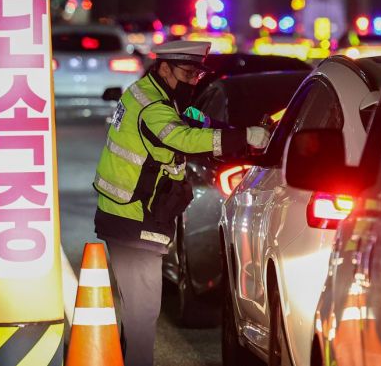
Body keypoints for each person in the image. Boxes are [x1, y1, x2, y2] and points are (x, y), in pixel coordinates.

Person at [92, 40, 269, 366]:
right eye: (187, 72)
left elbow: (188, 123)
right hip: (134, 219)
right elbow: (180, 138)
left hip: (128, 213)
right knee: (143, 313)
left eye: (196, 73)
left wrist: (222, 127)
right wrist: (245, 137)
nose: (193, 80)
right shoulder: (153, 107)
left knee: (137, 313)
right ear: (164, 68)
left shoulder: (149, 94)